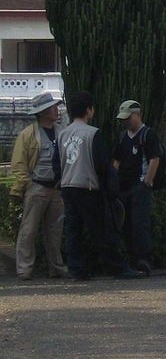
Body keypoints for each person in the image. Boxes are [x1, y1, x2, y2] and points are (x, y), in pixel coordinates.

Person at [57, 91, 144, 282]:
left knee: (73, 230)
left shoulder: (62, 134)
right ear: (89, 110)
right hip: (87, 186)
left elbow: (58, 164)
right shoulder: (92, 133)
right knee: (101, 230)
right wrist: (110, 189)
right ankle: (118, 268)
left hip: (67, 186)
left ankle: (77, 269)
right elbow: (102, 165)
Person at [10, 91, 68, 280]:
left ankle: (56, 267)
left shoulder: (62, 131)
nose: (56, 110)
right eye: (53, 107)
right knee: (29, 229)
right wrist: (26, 183)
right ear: (43, 112)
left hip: (57, 187)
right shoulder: (27, 135)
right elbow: (19, 163)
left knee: (55, 231)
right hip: (37, 186)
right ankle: (24, 268)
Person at [112, 100, 161, 275]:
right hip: (123, 187)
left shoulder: (147, 135)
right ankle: (130, 258)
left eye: (128, 118)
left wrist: (147, 181)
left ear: (137, 115)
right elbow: (116, 160)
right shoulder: (123, 137)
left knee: (139, 222)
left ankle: (143, 258)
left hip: (139, 185)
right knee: (125, 224)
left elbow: (154, 159)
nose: (126, 122)